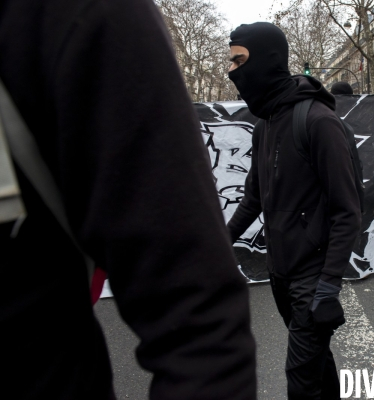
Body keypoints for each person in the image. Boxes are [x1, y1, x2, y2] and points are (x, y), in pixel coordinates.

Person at [0, 0, 256, 399]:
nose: (230, 72)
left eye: (239, 61)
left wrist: (325, 273)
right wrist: (231, 235)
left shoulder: (74, 16)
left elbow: (198, 317)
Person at [226, 22, 361, 399]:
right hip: (280, 273)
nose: (231, 71)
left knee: (300, 381)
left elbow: (347, 210)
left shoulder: (319, 122)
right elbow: (253, 197)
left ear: (268, 61)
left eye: (239, 60)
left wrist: (329, 285)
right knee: (317, 366)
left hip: (312, 279)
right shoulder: (264, 125)